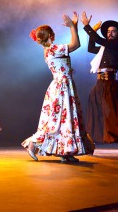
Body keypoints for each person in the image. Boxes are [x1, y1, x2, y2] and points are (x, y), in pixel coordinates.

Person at [21, 12, 95, 162]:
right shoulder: (53, 49)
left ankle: (65, 152)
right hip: (62, 86)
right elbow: (76, 45)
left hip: (62, 85)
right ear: (50, 35)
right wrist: (72, 28)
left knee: (64, 118)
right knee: (56, 119)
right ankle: (33, 144)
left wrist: (74, 26)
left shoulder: (49, 50)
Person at [81, 11, 118, 159]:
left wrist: (87, 27)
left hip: (110, 84)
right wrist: (91, 31)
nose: (110, 33)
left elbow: (98, 39)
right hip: (99, 84)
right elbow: (91, 47)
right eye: (108, 31)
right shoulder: (104, 47)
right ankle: (90, 144)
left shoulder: (116, 45)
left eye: (113, 31)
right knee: (96, 115)